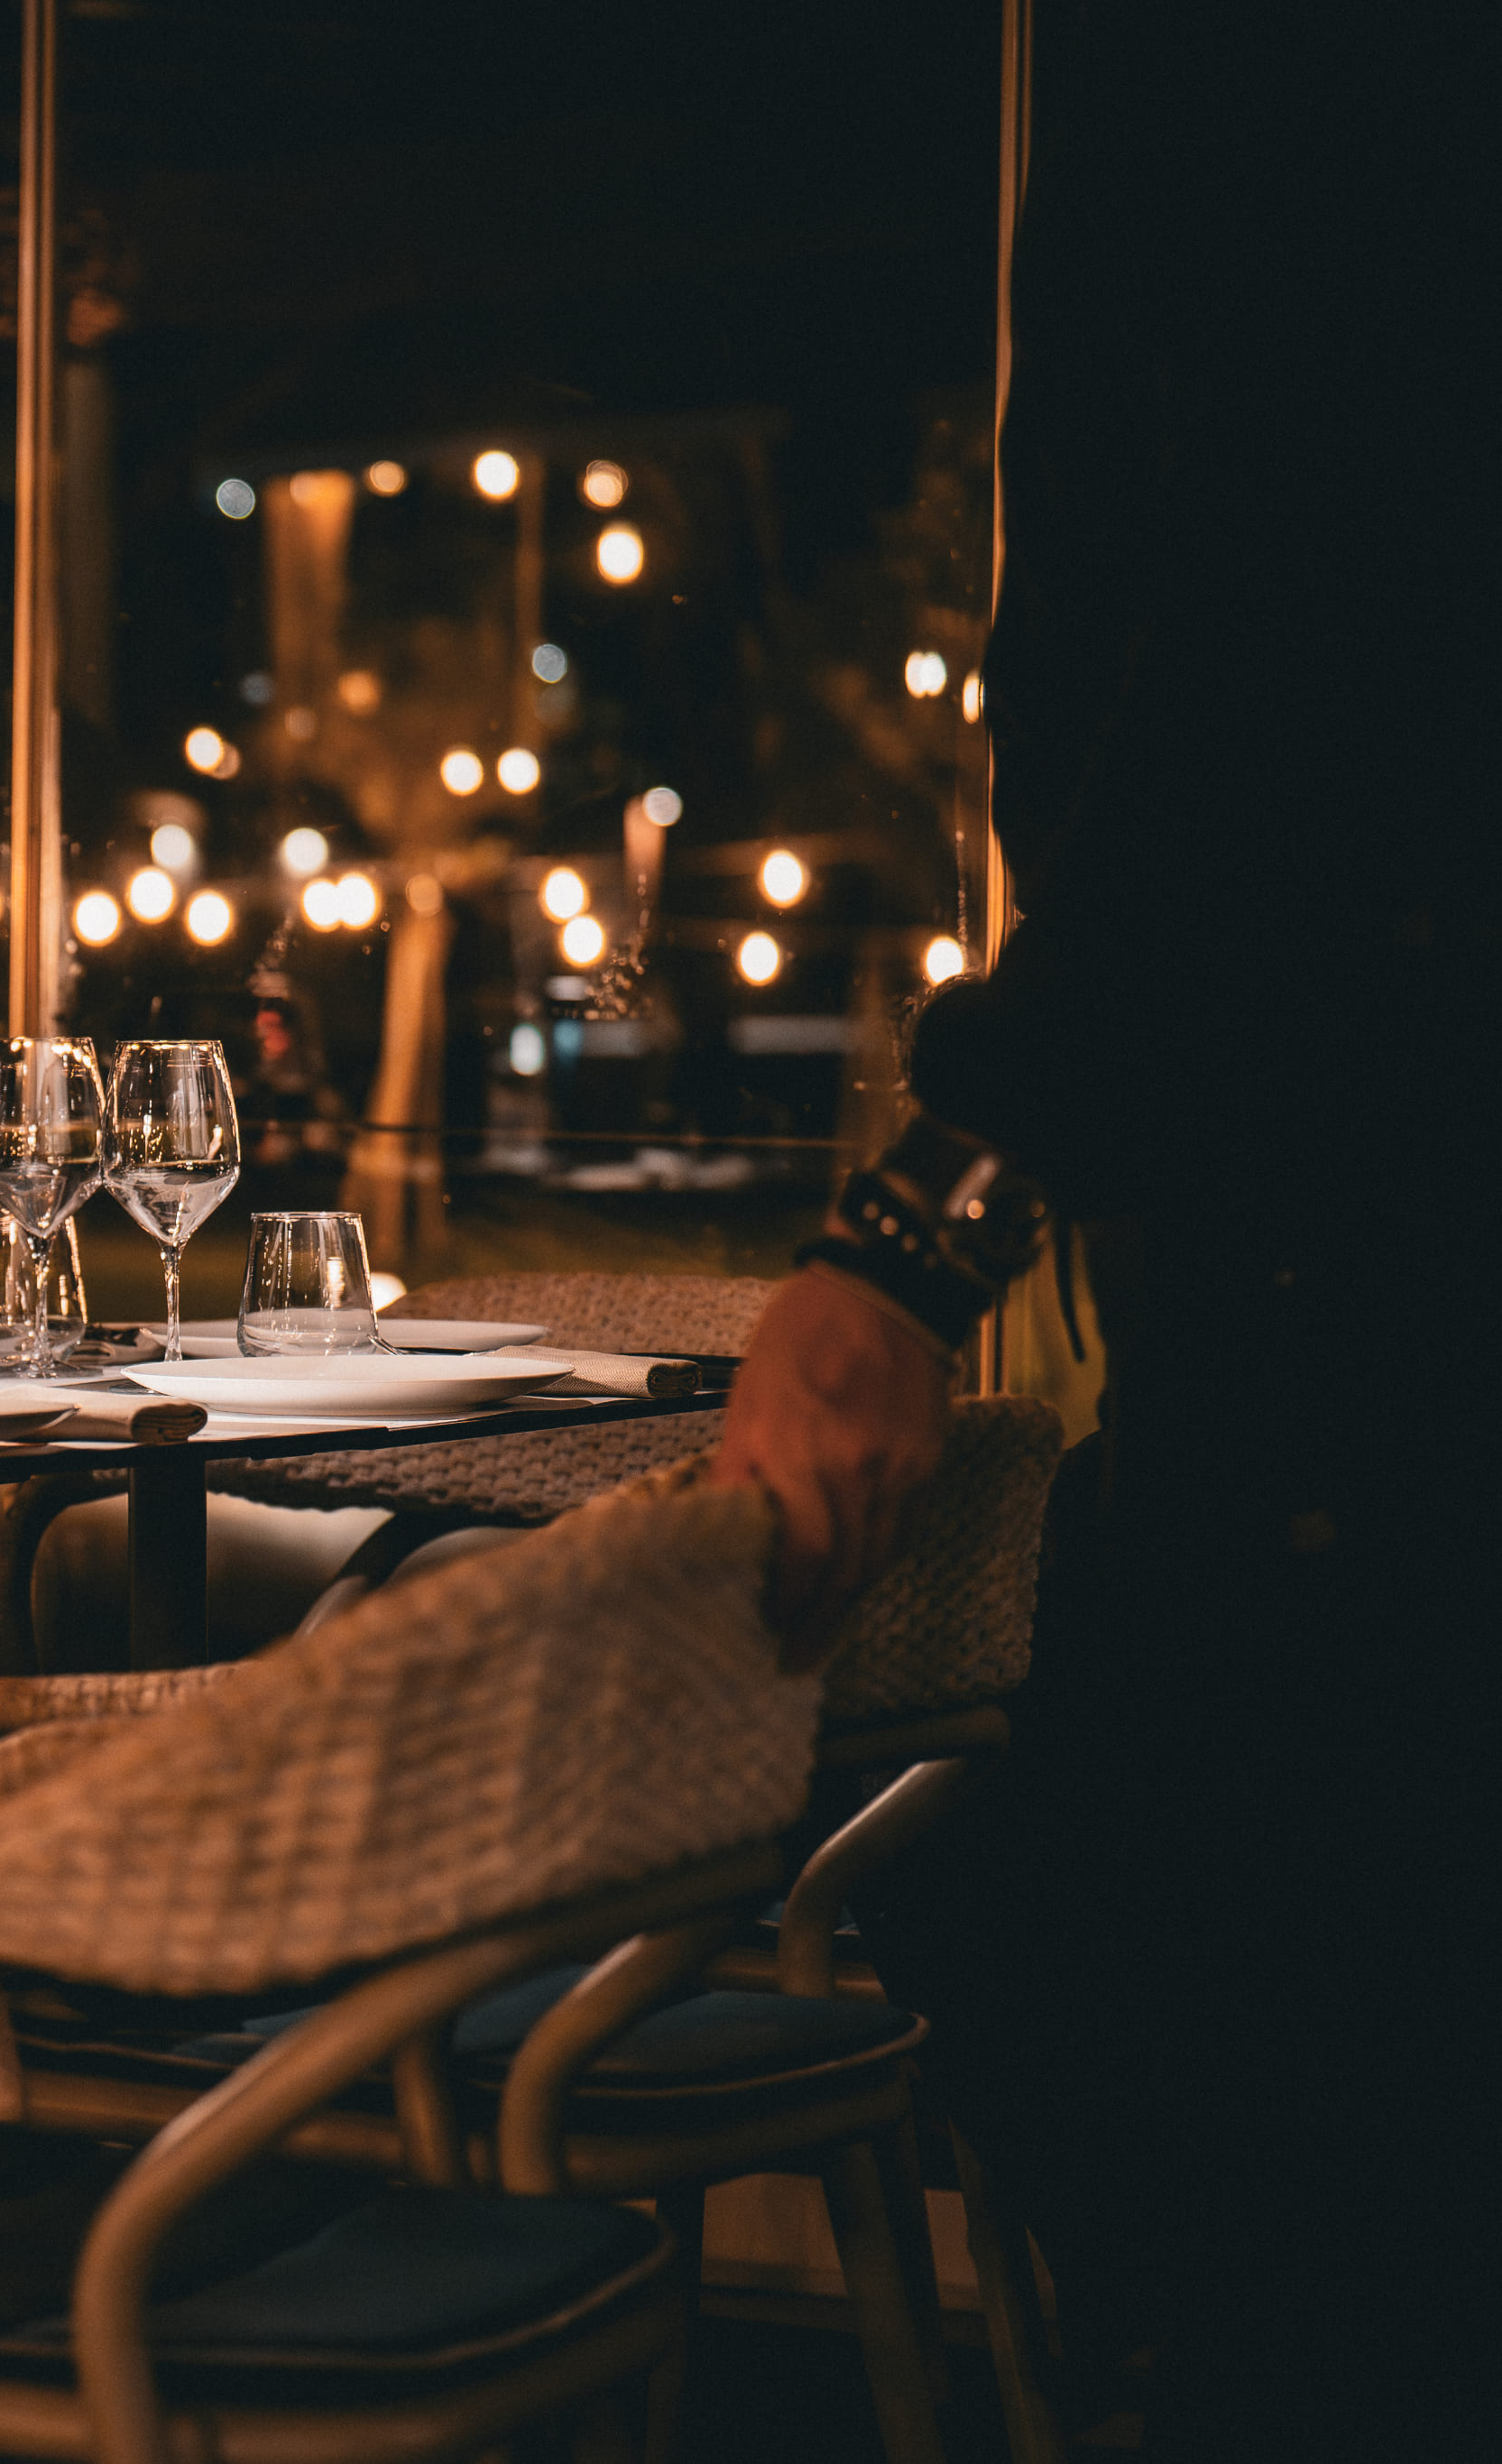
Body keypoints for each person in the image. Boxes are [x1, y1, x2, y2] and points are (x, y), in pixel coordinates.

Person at [711, 14, 1490, 2453]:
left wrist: (913, 1242)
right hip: (1307, 1235)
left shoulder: (1293, 80)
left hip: (1355, 1268)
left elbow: (1265, 723)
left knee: (1213, 2050)